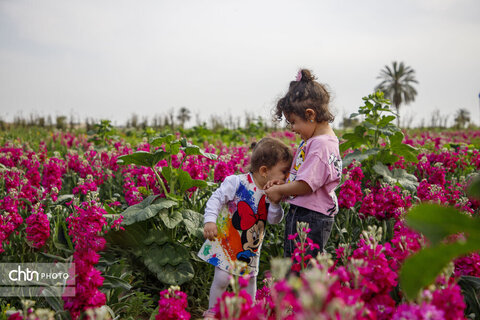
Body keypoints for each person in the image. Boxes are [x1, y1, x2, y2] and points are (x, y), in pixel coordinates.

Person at [198, 137, 293, 317]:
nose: (287, 177)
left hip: (250, 248)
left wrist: (274, 204)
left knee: (249, 282)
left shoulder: (270, 192)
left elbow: (274, 220)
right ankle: (212, 311)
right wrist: (209, 220)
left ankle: (250, 312)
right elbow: (216, 199)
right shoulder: (237, 182)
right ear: (264, 171)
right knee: (222, 279)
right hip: (227, 242)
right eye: (284, 171)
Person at [264, 68, 342, 259]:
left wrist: (280, 191)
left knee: (300, 268)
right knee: (300, 265)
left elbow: (306, 185)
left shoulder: (321, 145)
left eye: (293, 122)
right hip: (310, 213)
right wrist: (284, 186)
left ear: (310, 115)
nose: (292, 129)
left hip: (310, 217)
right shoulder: (316, 141)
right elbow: (305, 178)